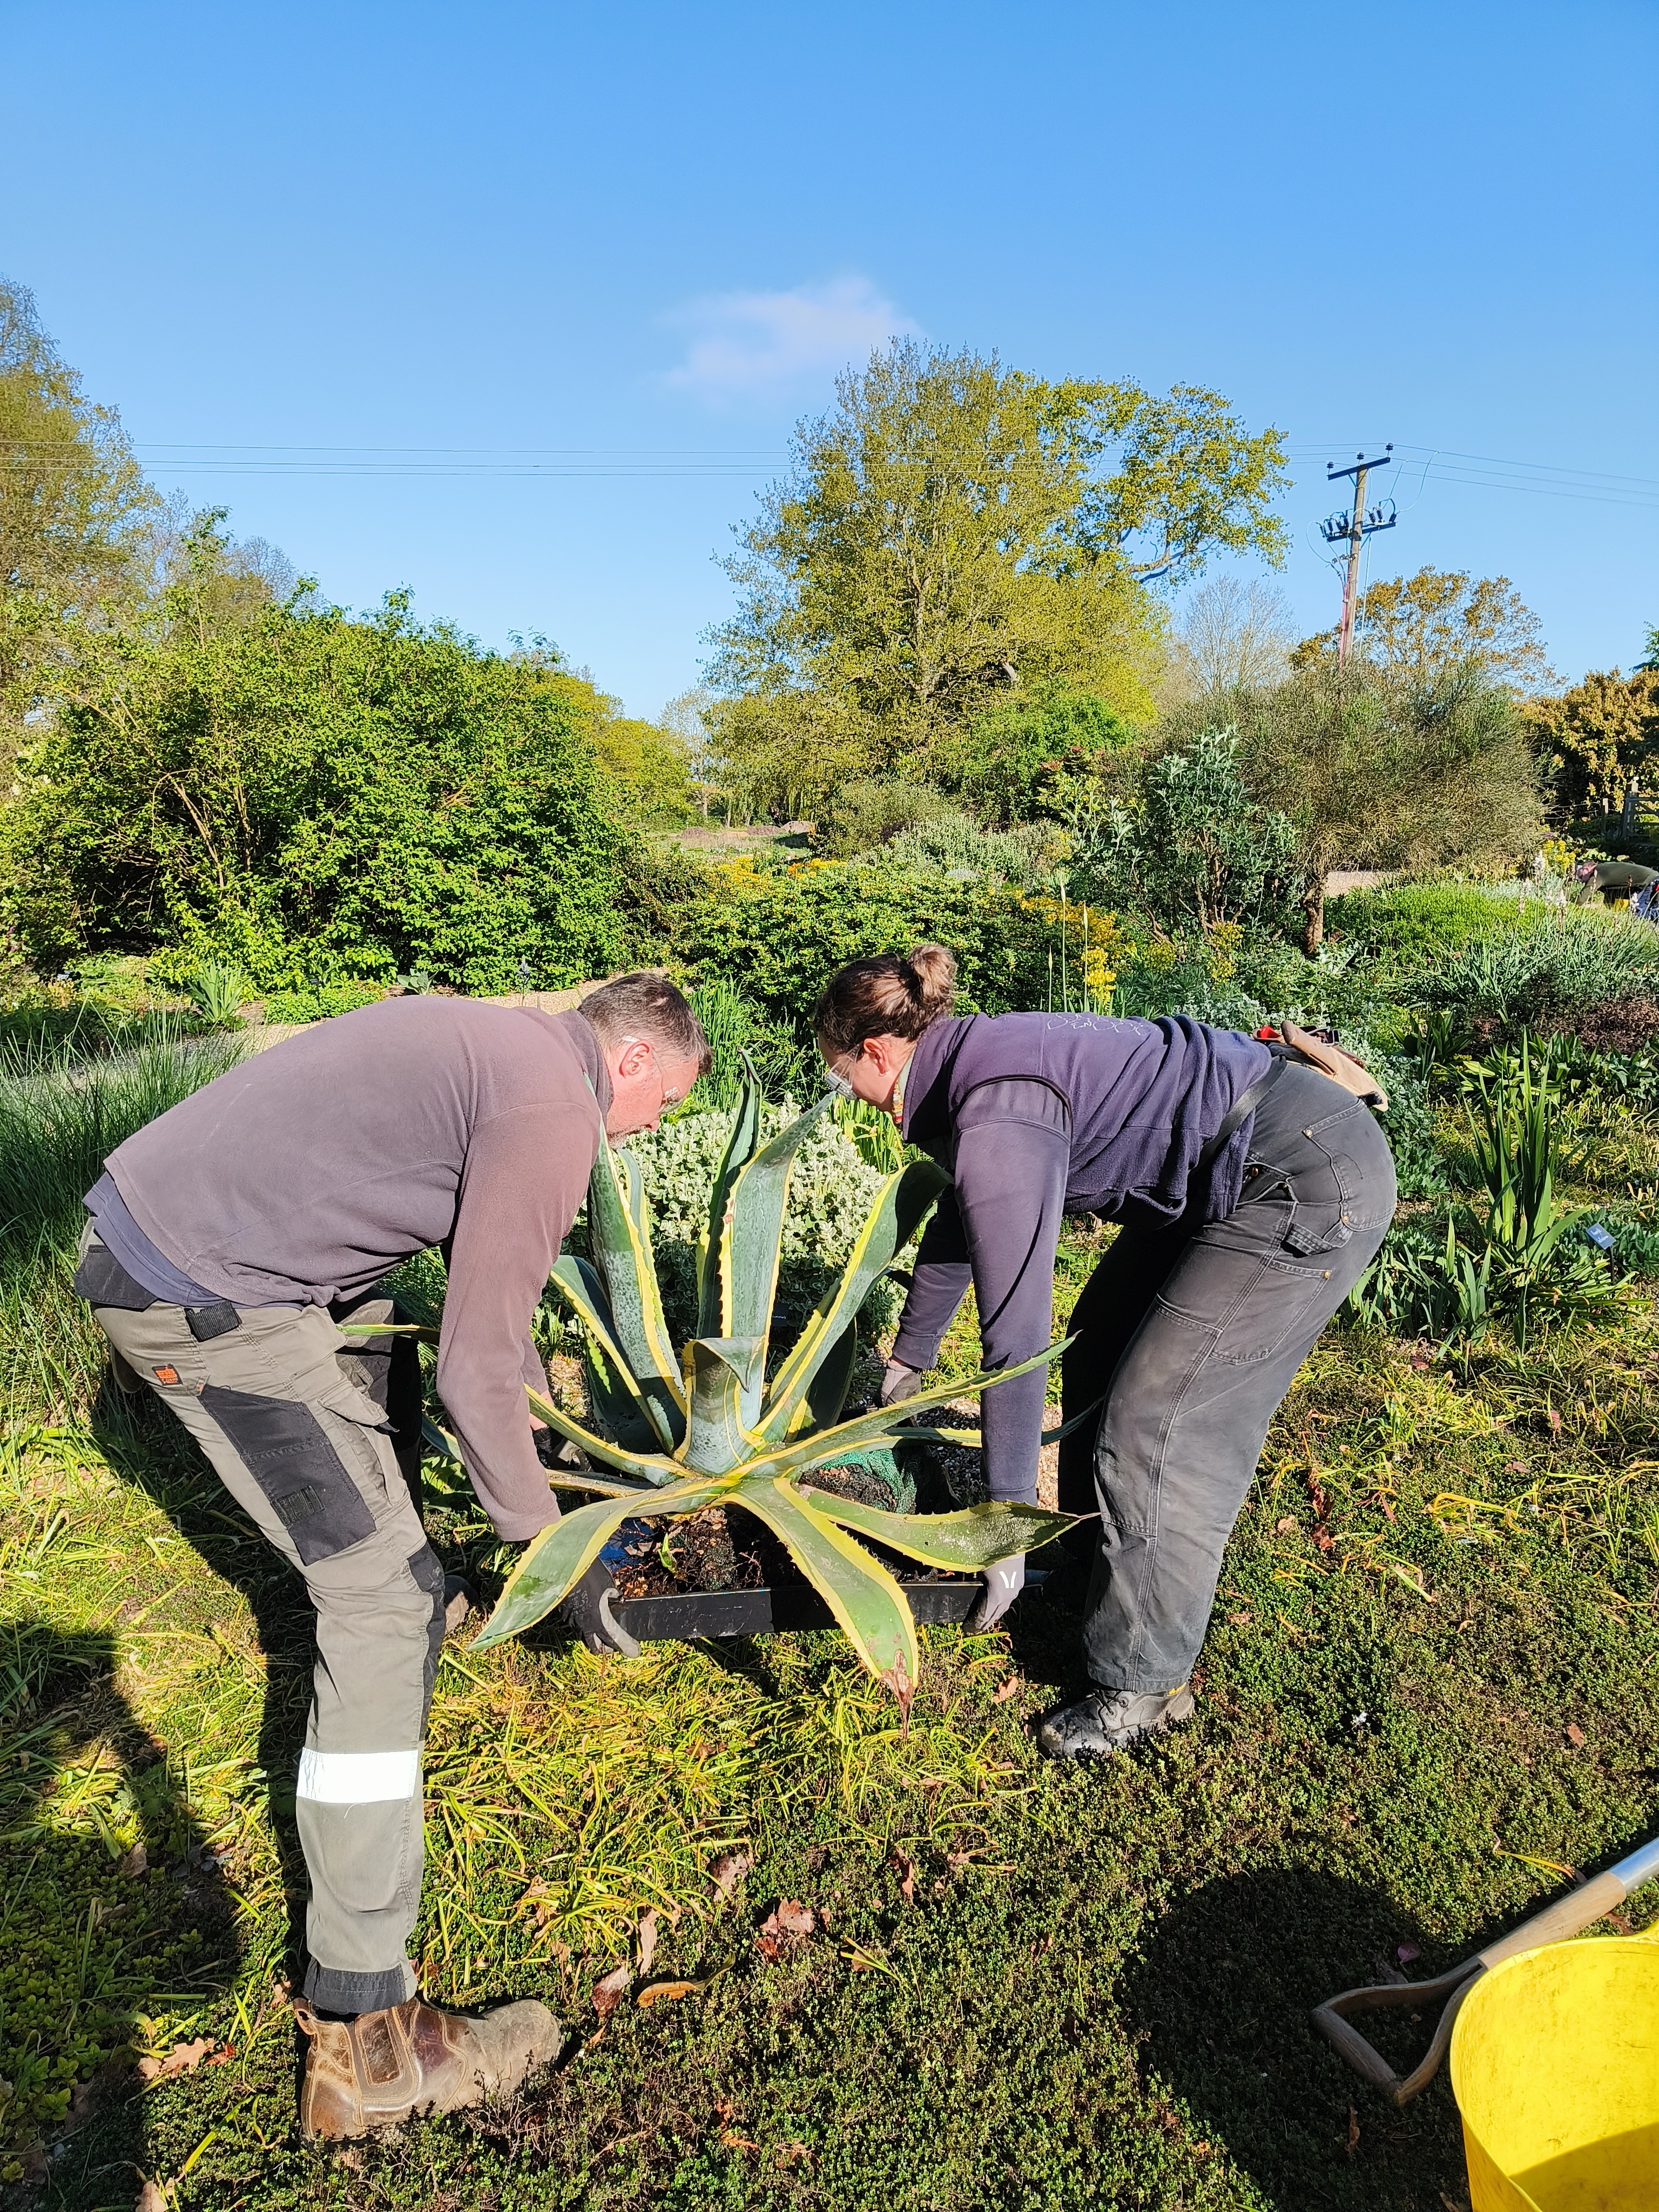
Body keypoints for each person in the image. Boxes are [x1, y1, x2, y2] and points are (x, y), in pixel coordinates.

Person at [76, 973, 707, 2137]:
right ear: (629, 1063)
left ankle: (429, 1603)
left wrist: (533, 1467)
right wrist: (556, 1560)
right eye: (661, 1106)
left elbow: (487, 1334)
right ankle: (361, 2034)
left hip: (178, 1233)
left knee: (396, 1551)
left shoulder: (495, 1041)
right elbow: (476, 1373)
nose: (650, 1131)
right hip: (204, 1295)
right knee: (369, 1597)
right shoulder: (552, 1106)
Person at [814, 946, 1395, 1761]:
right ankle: (1096, 1557)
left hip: (1301, 1175)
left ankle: (1143, 1685)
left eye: (846, 1078)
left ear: (878, 1052)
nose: (853, 1098)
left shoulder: (1000, 1105)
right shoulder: (967, 1067)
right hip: (1229, 1168)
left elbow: (1015, 1337)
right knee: (1100, 1345)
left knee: (1160, 1418)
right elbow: (962, 1212)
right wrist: (909, 1354)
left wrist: (1004, 1524)